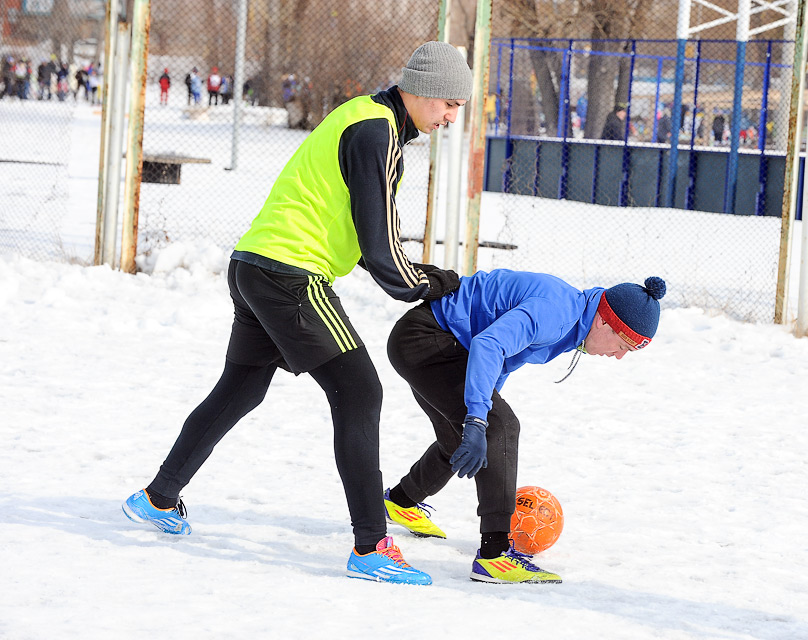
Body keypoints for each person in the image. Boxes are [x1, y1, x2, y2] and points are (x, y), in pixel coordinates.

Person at [122, 41, 474, 586]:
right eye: (450, 104)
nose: (452, 117)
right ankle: (371, 546)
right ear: (423, 89)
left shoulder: (368, 118)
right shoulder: (377, 131)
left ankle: (158, 498)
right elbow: (383, 253)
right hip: (291, 274)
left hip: (254, 263)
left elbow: (368, 237)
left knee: (241, 390)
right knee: (360, 392)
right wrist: (434, 283)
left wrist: (416, 275)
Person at [381, 270, 666, 584]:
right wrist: (478, 418)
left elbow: (504, 358)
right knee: (501, 428)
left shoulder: (574, 318)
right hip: (427, 340)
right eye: (623, 345)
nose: (619, 356)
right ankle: (494, 555)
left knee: (465, 437)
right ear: (603, 321)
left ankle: (400, 501)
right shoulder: (558, 312)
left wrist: (482, 409)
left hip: (438, 341)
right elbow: (489, 344)